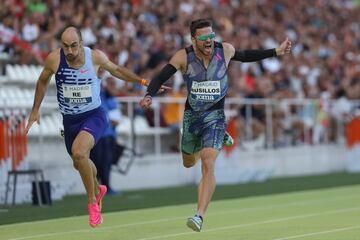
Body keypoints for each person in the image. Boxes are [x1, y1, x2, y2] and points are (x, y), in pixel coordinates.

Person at [139, 19, 292, 232]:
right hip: (192, 118)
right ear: (194, 40)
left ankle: (199, 215)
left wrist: (276, 51)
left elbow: (247, 56)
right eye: (204, 38)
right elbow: (162, 75)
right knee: (188, 162)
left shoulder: (225, 50)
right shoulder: (183, 56)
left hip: (215, 116)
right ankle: (221, 138)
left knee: (207, 161)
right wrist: (149, 95)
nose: (209, 41)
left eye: (211, 36)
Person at [25, 26, 154, 228]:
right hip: (70, 120)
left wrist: (143, 81)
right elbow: (42, 81)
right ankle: (98, 188)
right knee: (79, 162)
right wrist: (35, 110)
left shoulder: (94, 57)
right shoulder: (54, 59)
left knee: (78, 153)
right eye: (65, 46)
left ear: (81, 43)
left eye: (74, 46)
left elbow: (117, 70)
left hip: (94, 116)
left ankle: (93, 202)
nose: (70, 51)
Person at [90, 76, 121, 196]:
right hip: (97, 135)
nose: (112, 85)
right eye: (110, 83)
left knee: (106, 162)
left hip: (109, 135)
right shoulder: (98, 95)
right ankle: (97, 187)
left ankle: (106, 187)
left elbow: (116, 118)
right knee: (97, 162)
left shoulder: (110, 98)